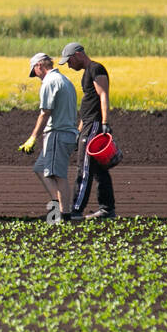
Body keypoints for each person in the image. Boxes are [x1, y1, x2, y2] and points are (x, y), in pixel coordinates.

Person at [18, 52, 80, 222]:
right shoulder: (65, 81)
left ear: (39, 66)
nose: (35, 76)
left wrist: (33, 138)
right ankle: (57, 207)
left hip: (57, 134)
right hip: (68, 134)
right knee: (40, 168)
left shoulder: (49, 82)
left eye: (34, 71)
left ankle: (63, 215)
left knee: (57, 175)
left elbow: (45, 113)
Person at [60, 42, 116, 219]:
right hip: (88, 125)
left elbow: (103, 95)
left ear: (77, 54)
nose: (69, 65)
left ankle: (76, 210)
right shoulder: (87, 72)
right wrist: (78, 131)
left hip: (94, 125)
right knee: (99, 170)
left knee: (83, 169)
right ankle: (107, 209)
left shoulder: (96, 69)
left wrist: (105, 122)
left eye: (69, 61)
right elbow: (89, 105)